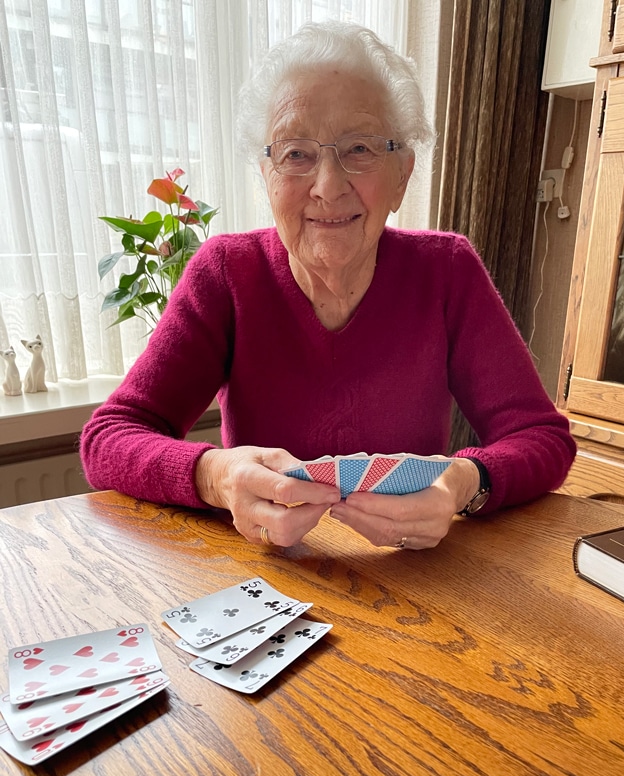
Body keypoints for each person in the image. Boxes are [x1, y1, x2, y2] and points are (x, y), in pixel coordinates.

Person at [80, 21, 576, 551]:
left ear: (403, 173)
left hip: (415, 580)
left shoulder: (446, 271)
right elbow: (109, 438)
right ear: (266, 176)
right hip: (268, 577)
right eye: (296, 154)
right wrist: (217, 475)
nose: (327, 186)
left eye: (359, 148)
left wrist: (462, 483)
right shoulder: (226, 273)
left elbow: (542, 439)